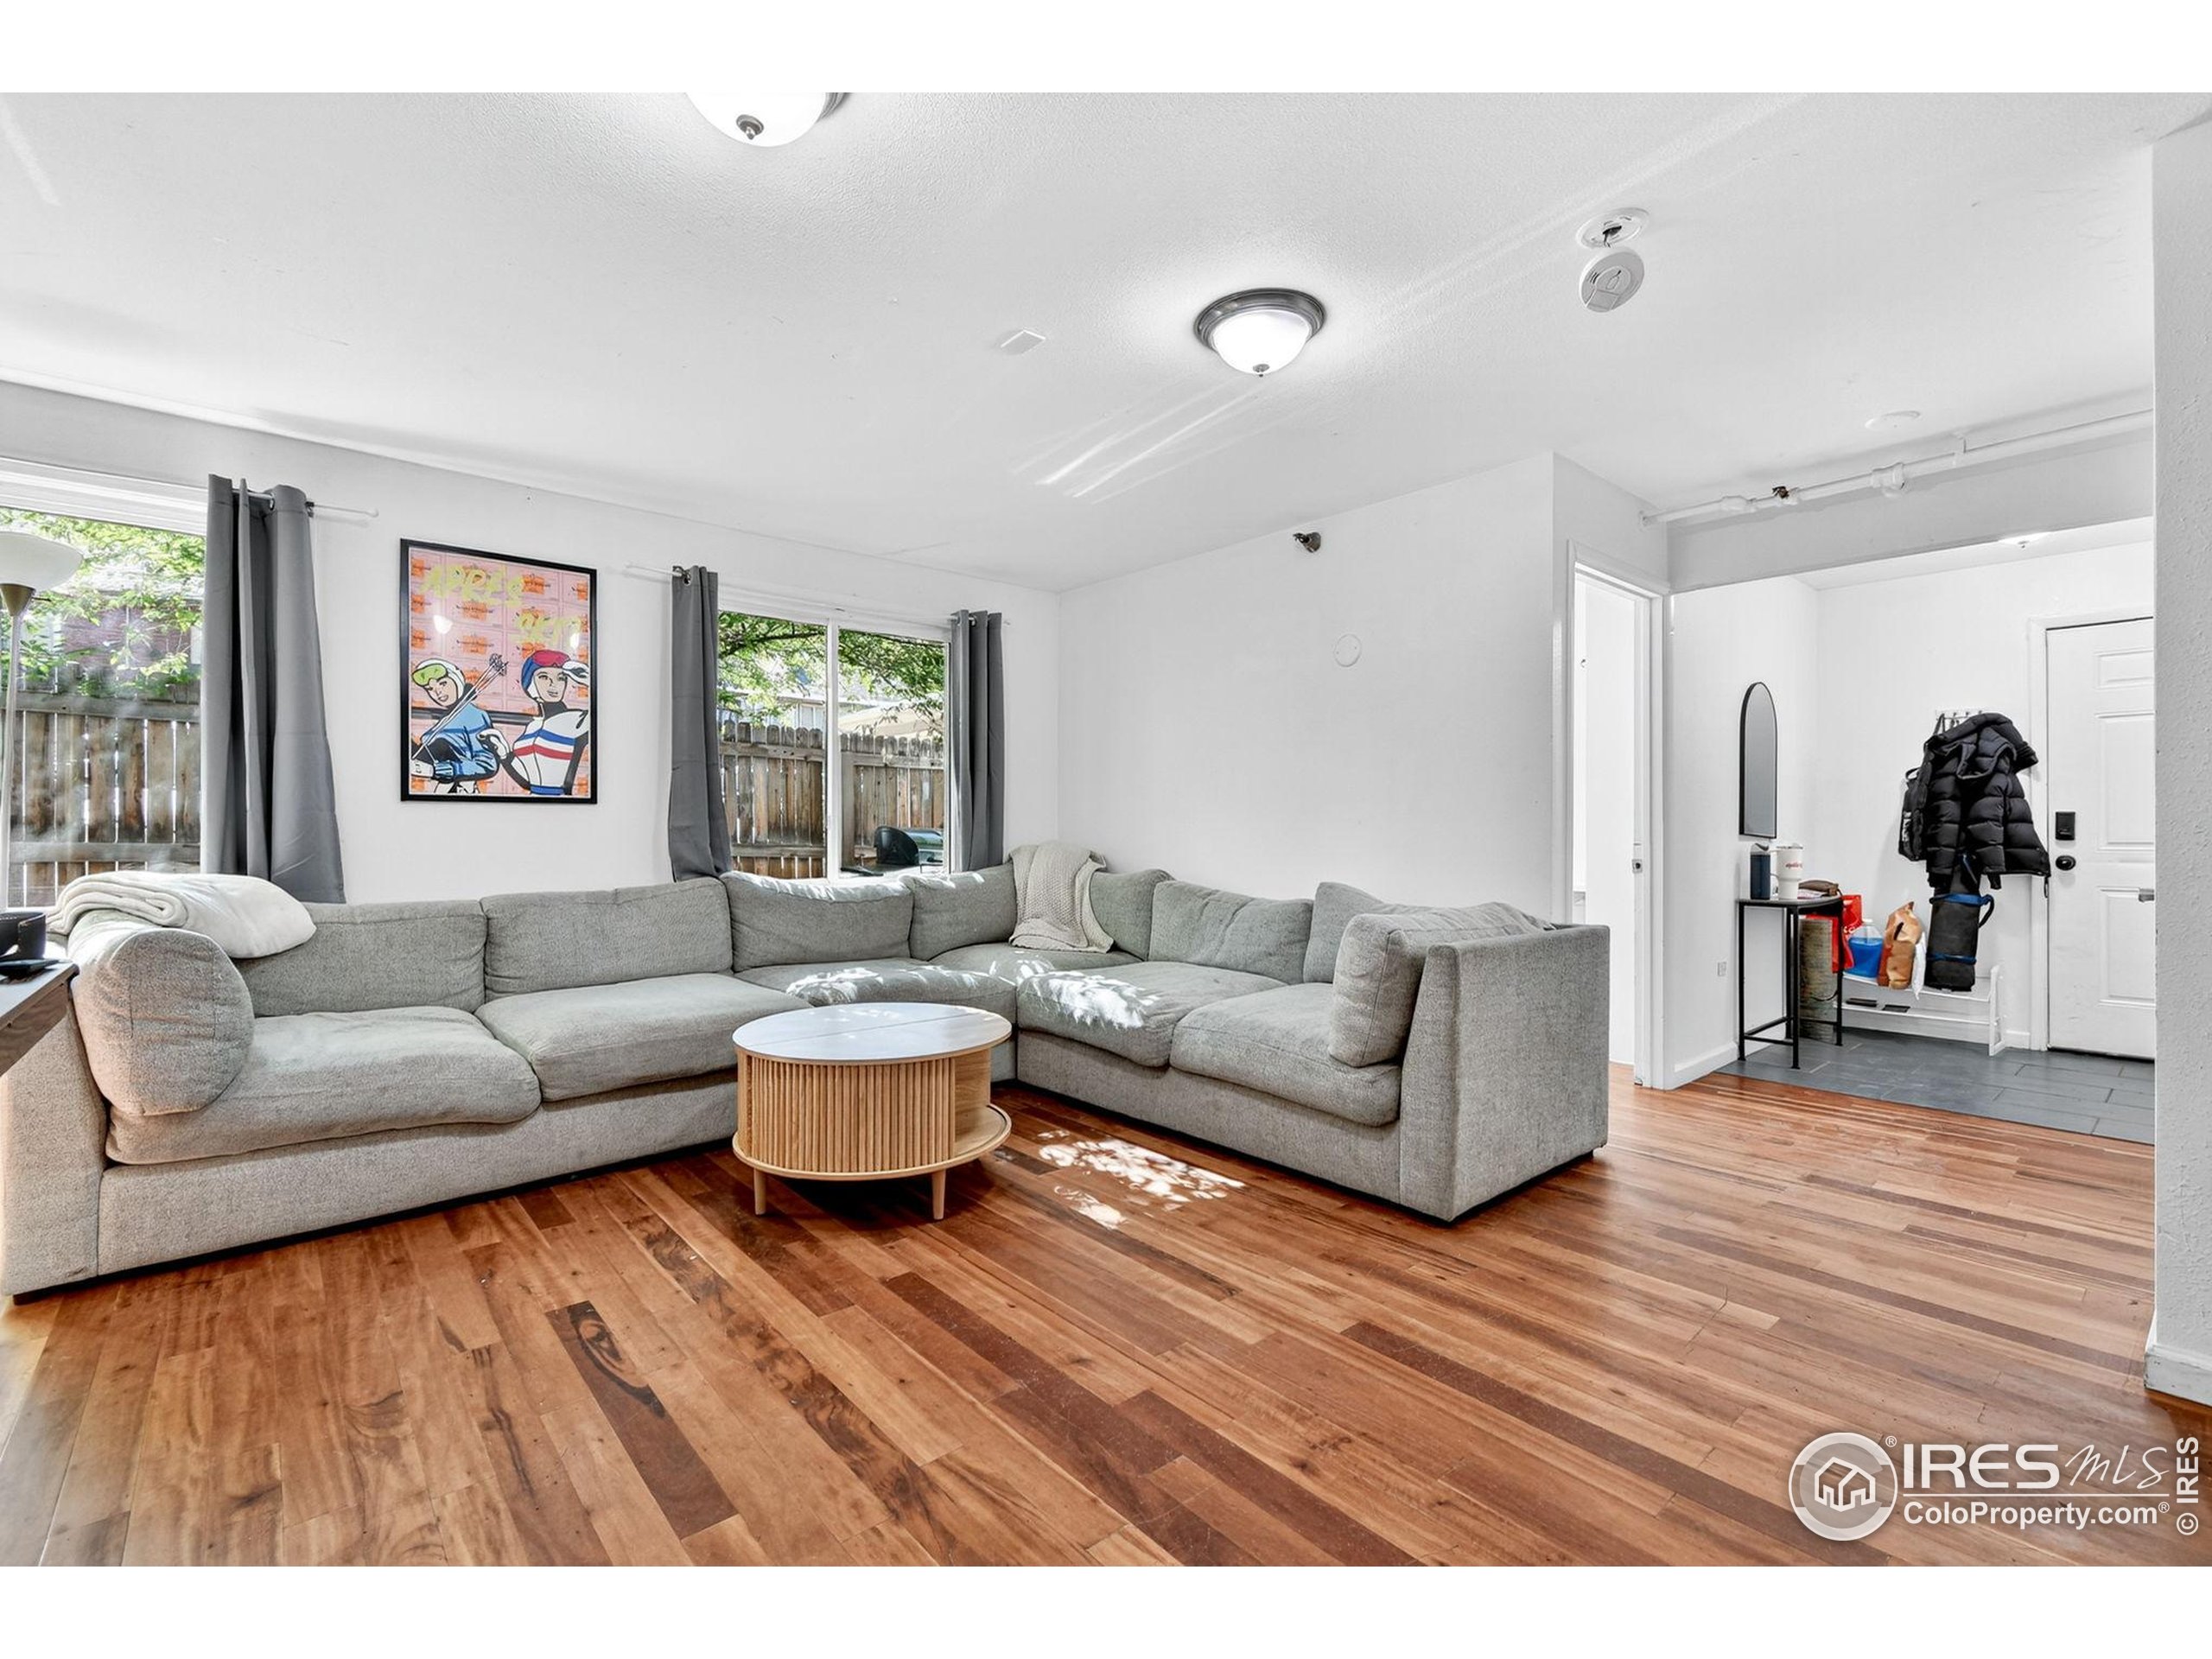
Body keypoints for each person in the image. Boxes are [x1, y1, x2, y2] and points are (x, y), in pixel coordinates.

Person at [503, 648, 592, 797]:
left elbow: (605, 716)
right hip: (532, 802)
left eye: (561, 678)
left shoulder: (574, 719)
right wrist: (504, 753)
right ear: (529, 682)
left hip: (561, 803)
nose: (553, 684)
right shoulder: (533, 725)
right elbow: (528, 777)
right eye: (544, 677)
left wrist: (589, 679)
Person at [407, 658, 504, 793]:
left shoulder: (474, 715)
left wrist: (438, 770)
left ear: (456, 680)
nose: (438, 692)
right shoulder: (445, 720)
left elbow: (488, 764)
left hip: (461, 792)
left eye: (443, 683)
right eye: (430, 689)